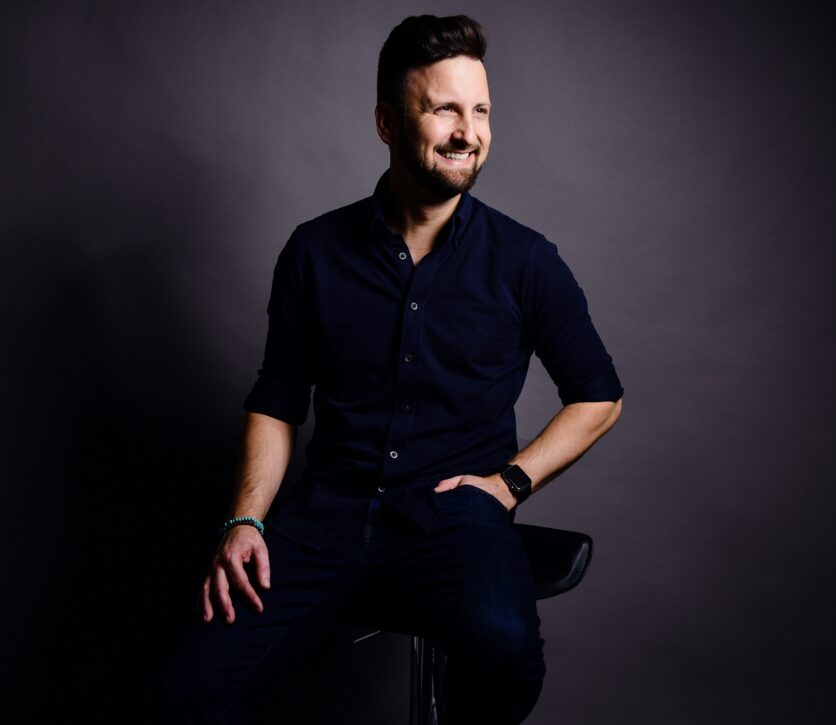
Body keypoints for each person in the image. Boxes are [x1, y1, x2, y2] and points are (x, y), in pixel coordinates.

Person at [163, 14, 622, 724]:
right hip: (327, 514)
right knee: (192, 684)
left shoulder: (527, 260)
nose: (468, 131)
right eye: (444, 109)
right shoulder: (313, 252)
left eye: (481, 111)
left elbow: (599, 396)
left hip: (456, 514)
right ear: (386, 123)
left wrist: (510, 482)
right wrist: (245, 518)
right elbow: (277, 402)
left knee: (505, 648)